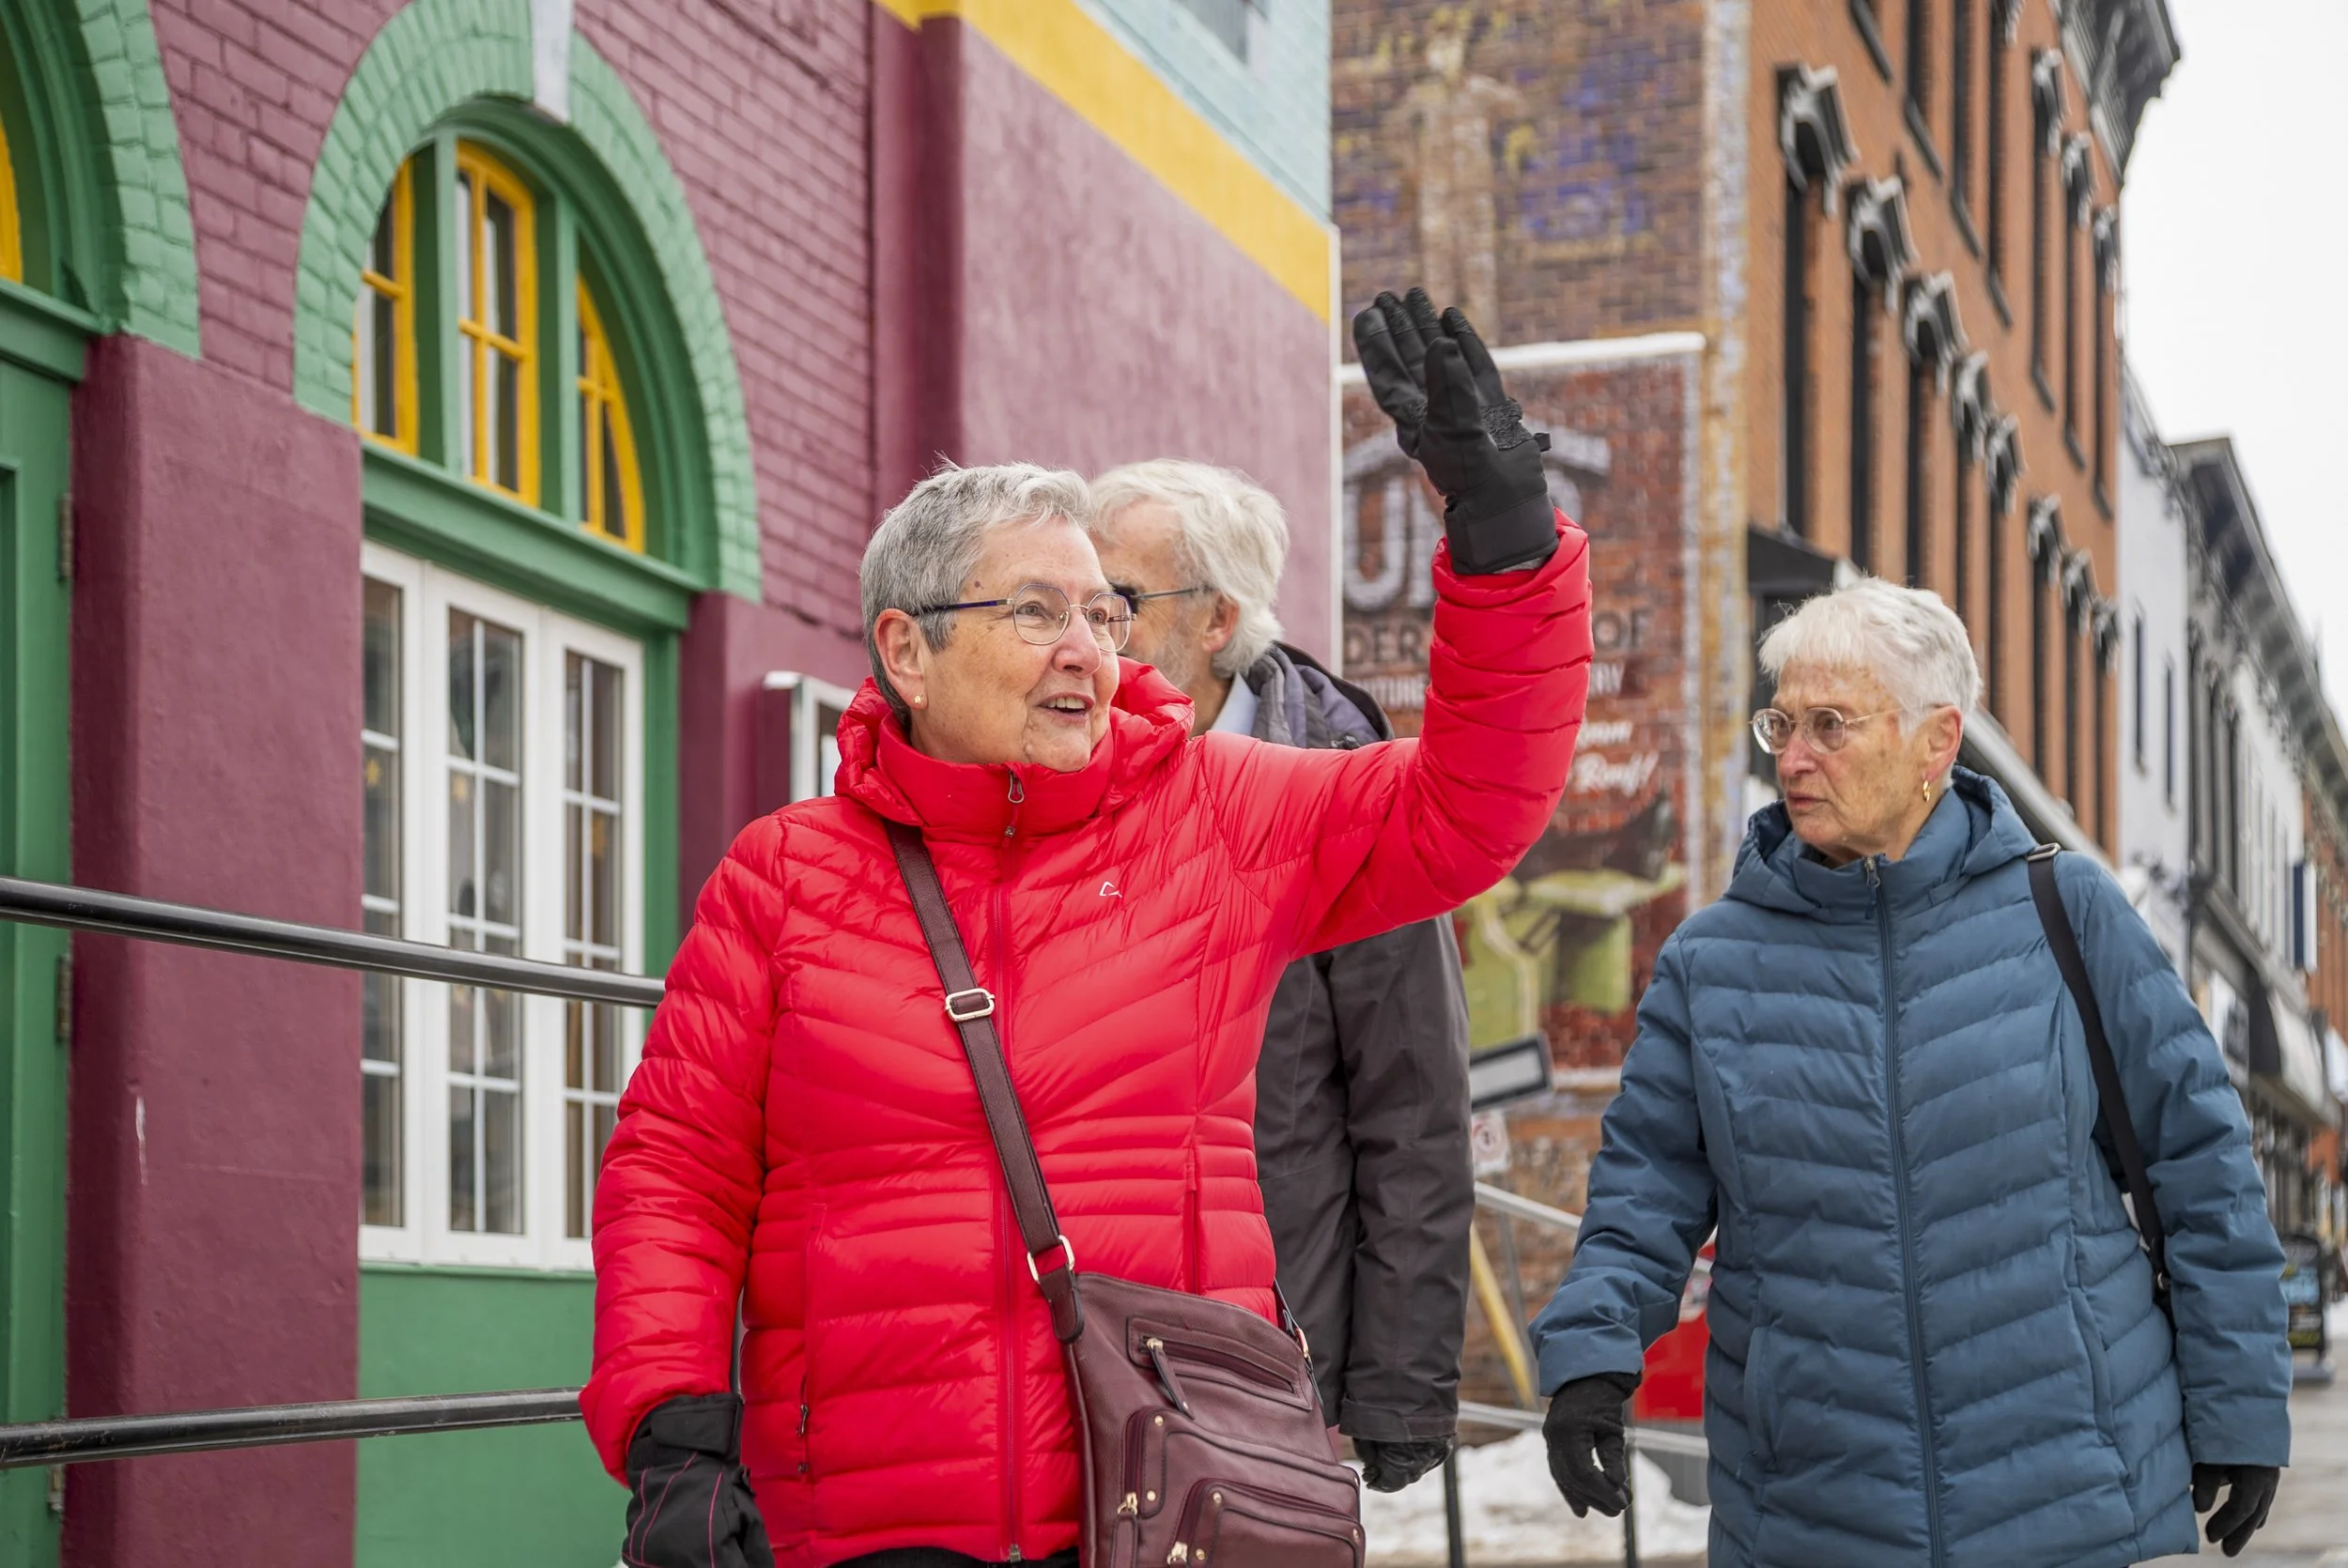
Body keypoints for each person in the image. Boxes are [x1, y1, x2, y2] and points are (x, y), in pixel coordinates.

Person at [583, 288, 1592, 1568]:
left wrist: (1504, 536)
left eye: (1105, 615)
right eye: (1038, 613)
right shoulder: (782, 879)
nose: (1088, 652)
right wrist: (673, 1428)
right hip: (862, 1520)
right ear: (908, 646)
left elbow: (1472, 804)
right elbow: (676, 1171)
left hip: (1158, 1505)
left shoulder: (1217, 815)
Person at [1531, 577, 2291, 1568]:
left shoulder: (2066, 913)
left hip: (2071, 1489)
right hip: (1807, 1507)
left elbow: (2202, 1164)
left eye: (1830, 725)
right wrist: (1590, 1353)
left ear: (1935, 740)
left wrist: (2238, 1401)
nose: (1793, 758)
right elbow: (1642, 1189)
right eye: (1782, 722)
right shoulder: (1710, 963)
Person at [1089, 458, 1474, 1495]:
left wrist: (1399, 1386)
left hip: (1259, 1348)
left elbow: (1412, 1103)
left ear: (1217, 618)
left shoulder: (1338, 792)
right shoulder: (1055, 775)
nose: (1086, 628)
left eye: (1118, 600)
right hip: (1072, 1335)